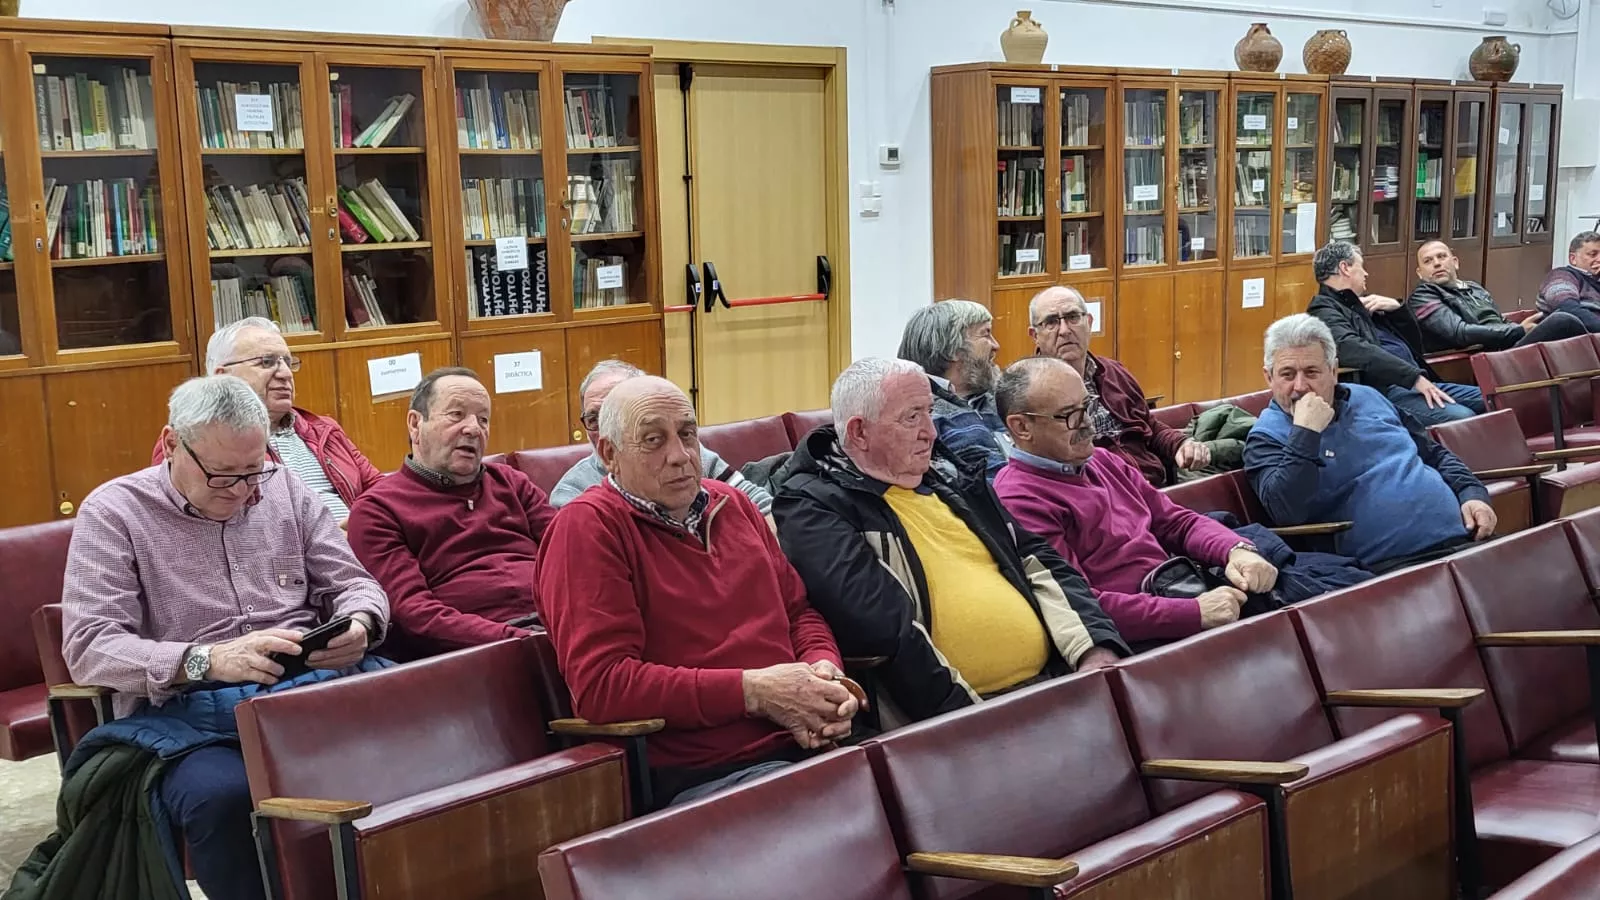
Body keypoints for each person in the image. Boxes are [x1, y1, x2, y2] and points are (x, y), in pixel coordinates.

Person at [58, 375, 389, 900]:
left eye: (252, 470)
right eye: (222, 476)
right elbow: (90, 646)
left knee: (420, 742)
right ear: (171, 444)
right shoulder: (115, 512)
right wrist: (205, 661)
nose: (242, 491)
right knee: (224, 797)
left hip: (308, 688)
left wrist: (360, 624)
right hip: (189, 713)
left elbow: (354, 583)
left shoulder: (282, 487)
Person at [535, 376, 858, 809]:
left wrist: (823, 672)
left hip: (807, 742)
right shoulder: (587, 528)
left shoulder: (734, 505)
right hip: (711, 771)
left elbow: (798, 613)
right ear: (608, 453)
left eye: (688, 434)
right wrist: (757, 692)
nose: (681, 456)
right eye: (654, 440)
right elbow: (604, 686)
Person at [773, 357, 1128, 727]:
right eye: (913, 417)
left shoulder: (950, 475)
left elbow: (1038, 558)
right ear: (860, 432)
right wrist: (972, 721)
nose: (932, 432)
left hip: (1054, 683)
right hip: (961, 718)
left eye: (930, 412)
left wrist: (1096, 651)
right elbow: (886, 632)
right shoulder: (813, 507)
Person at [992, 357, 1278, 645]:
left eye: (1087, 406)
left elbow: (1175, 522)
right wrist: (1193, 612)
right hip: (1143, 638)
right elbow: (1077, 605)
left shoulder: (1102, 460)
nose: (1089, 424)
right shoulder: (1019, 498)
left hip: (1179, 590)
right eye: (1070, 415)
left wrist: (1235, 550)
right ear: (1021, 427)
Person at [1246, 314, 1496, 573]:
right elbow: (1286, 512)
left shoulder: (1369, 397)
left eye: (1311, 372)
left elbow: (1434, 454)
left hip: (1467, 538)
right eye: (1287, 374)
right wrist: (1305, 432)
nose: (1300, 386)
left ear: (1333, 371)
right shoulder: (1265, 437)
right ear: (1268, 378)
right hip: (1389, 568)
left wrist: (1472, 493)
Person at [347, 367, 556, 660]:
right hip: (479, 655)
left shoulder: (512, 483)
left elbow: (573, 559)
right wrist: (519, 639)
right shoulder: (378, 509)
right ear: (415, 424)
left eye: (483, 419)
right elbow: (415, 615)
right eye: (456, 415)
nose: (473, 429)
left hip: (560, 627)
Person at [151, 317, 382, 523]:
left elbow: (380, 491)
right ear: (223, 377)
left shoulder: (323, 429)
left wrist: (363, 529)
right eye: (267, 362)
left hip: (359, 547)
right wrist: (327, 535)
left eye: (288, 362)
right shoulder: (190, 440)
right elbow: (199, 523)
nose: (286, 373)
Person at [1029, 285, 1211, 486]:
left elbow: (1148, 425)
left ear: (1088, 323)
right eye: (1051, 322)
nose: (1064, 330)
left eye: (1073, 317)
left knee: (1222, 516)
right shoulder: (1030, 394)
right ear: (1034, 335)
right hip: (1101, 500)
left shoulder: (1113, 372)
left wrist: (1180, 444)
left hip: (1153, 488)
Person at [550, 359, 773, 513]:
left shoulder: (691, 456)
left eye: (616, 414)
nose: (605, 429)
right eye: (593, 419)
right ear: (607, 453)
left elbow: (760, 506)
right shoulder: (573, 494)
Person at [1308, 240, 1484, 426]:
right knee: (1463, 417)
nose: (1366, 273)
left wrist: (1398, 309)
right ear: (1345, 268)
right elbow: (1354, 348)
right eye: (1361, 267)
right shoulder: (1323, 311)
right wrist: (1413, 377)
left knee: (1496, 395)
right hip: (1387, 391)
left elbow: (1416, 344)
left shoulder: (1365, 303)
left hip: (1417, 382)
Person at [896, 299, 1012, 476]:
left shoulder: (1001, 399)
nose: (996, 346)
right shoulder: (918, 417)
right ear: (953, 351)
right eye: (986, 334)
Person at [1408, 239, 1586, 352]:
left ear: (1455, 262)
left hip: (1508, 344)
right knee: (1563, 321)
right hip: (1491, 356)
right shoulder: (1423, 296)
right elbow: (1460, 332)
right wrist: (1518, 330)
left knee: (1553, 318)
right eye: (1428, 261)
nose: (1437, 263)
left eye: (1441, 257)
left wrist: (1520, 327)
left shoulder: (1474, 288)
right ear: (1420, 273)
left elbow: (1498, 320)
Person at [1537, 231, 1600, 331]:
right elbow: (1567, 307)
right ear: (1573, 259)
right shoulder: (1561, 276)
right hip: (1567, 339)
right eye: (1593, 254)